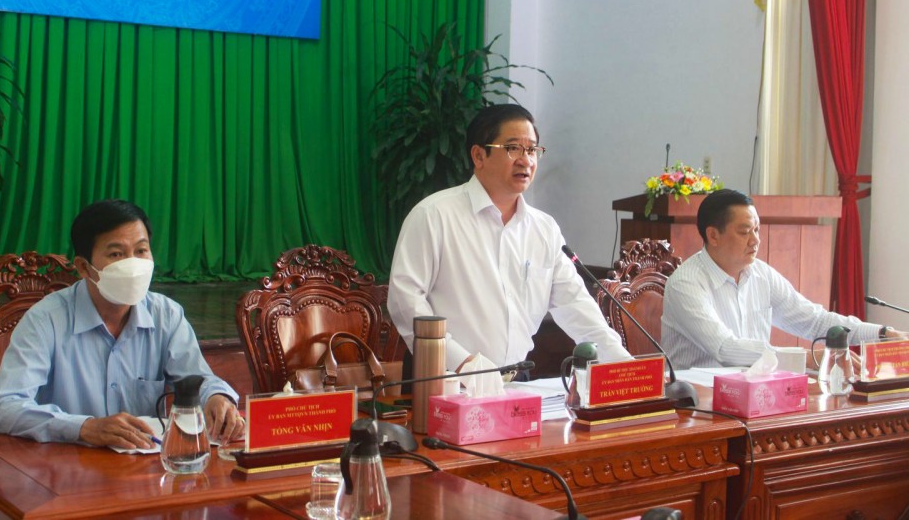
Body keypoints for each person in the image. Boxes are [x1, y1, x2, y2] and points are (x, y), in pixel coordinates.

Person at [387, 103, 630, 372]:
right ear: (479, 156)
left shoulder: (544, 229)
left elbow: (575, 305)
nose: (526, 160)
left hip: (515, 378)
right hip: (443, 377)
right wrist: (463, 364)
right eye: (513, 148)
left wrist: (625, 367)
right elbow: (405, 300)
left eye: (532, 150)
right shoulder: (434, 215)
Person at [0, 199, 245, 449]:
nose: (133, 265)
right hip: (64, 467)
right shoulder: (46, 320)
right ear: (84, 267)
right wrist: (85, 427)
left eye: (141, 251)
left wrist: (216, 397)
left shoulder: (166, 315)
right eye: (116, 254)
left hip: (142, 464)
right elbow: (2, 409)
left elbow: (197, 379)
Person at [661, 188, 905, 370]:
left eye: (757, 230)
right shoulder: (686, 283)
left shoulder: (761, 274)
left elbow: (815, 321)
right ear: (713, 236)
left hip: (756, 394)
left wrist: (882, 334)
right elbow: (725, 348)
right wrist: (808, 358)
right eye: (745, 232)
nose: (755, 240)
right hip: (697, 403)